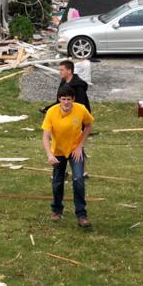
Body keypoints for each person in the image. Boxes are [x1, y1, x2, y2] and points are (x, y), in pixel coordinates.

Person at [42, 86, 94, 228]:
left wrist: (80, 146)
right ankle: (57, 211)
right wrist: (49, 154)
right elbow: (46, 136)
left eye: (69, 99)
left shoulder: (81, 109)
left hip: (75, 149)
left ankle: (81, 215)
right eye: (63, 99)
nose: (66, 102)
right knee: (58, 181)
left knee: (78, 178)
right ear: (59, 99)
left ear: (73, 99)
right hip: (58, 151)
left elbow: (88, 125)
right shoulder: (52, 112)